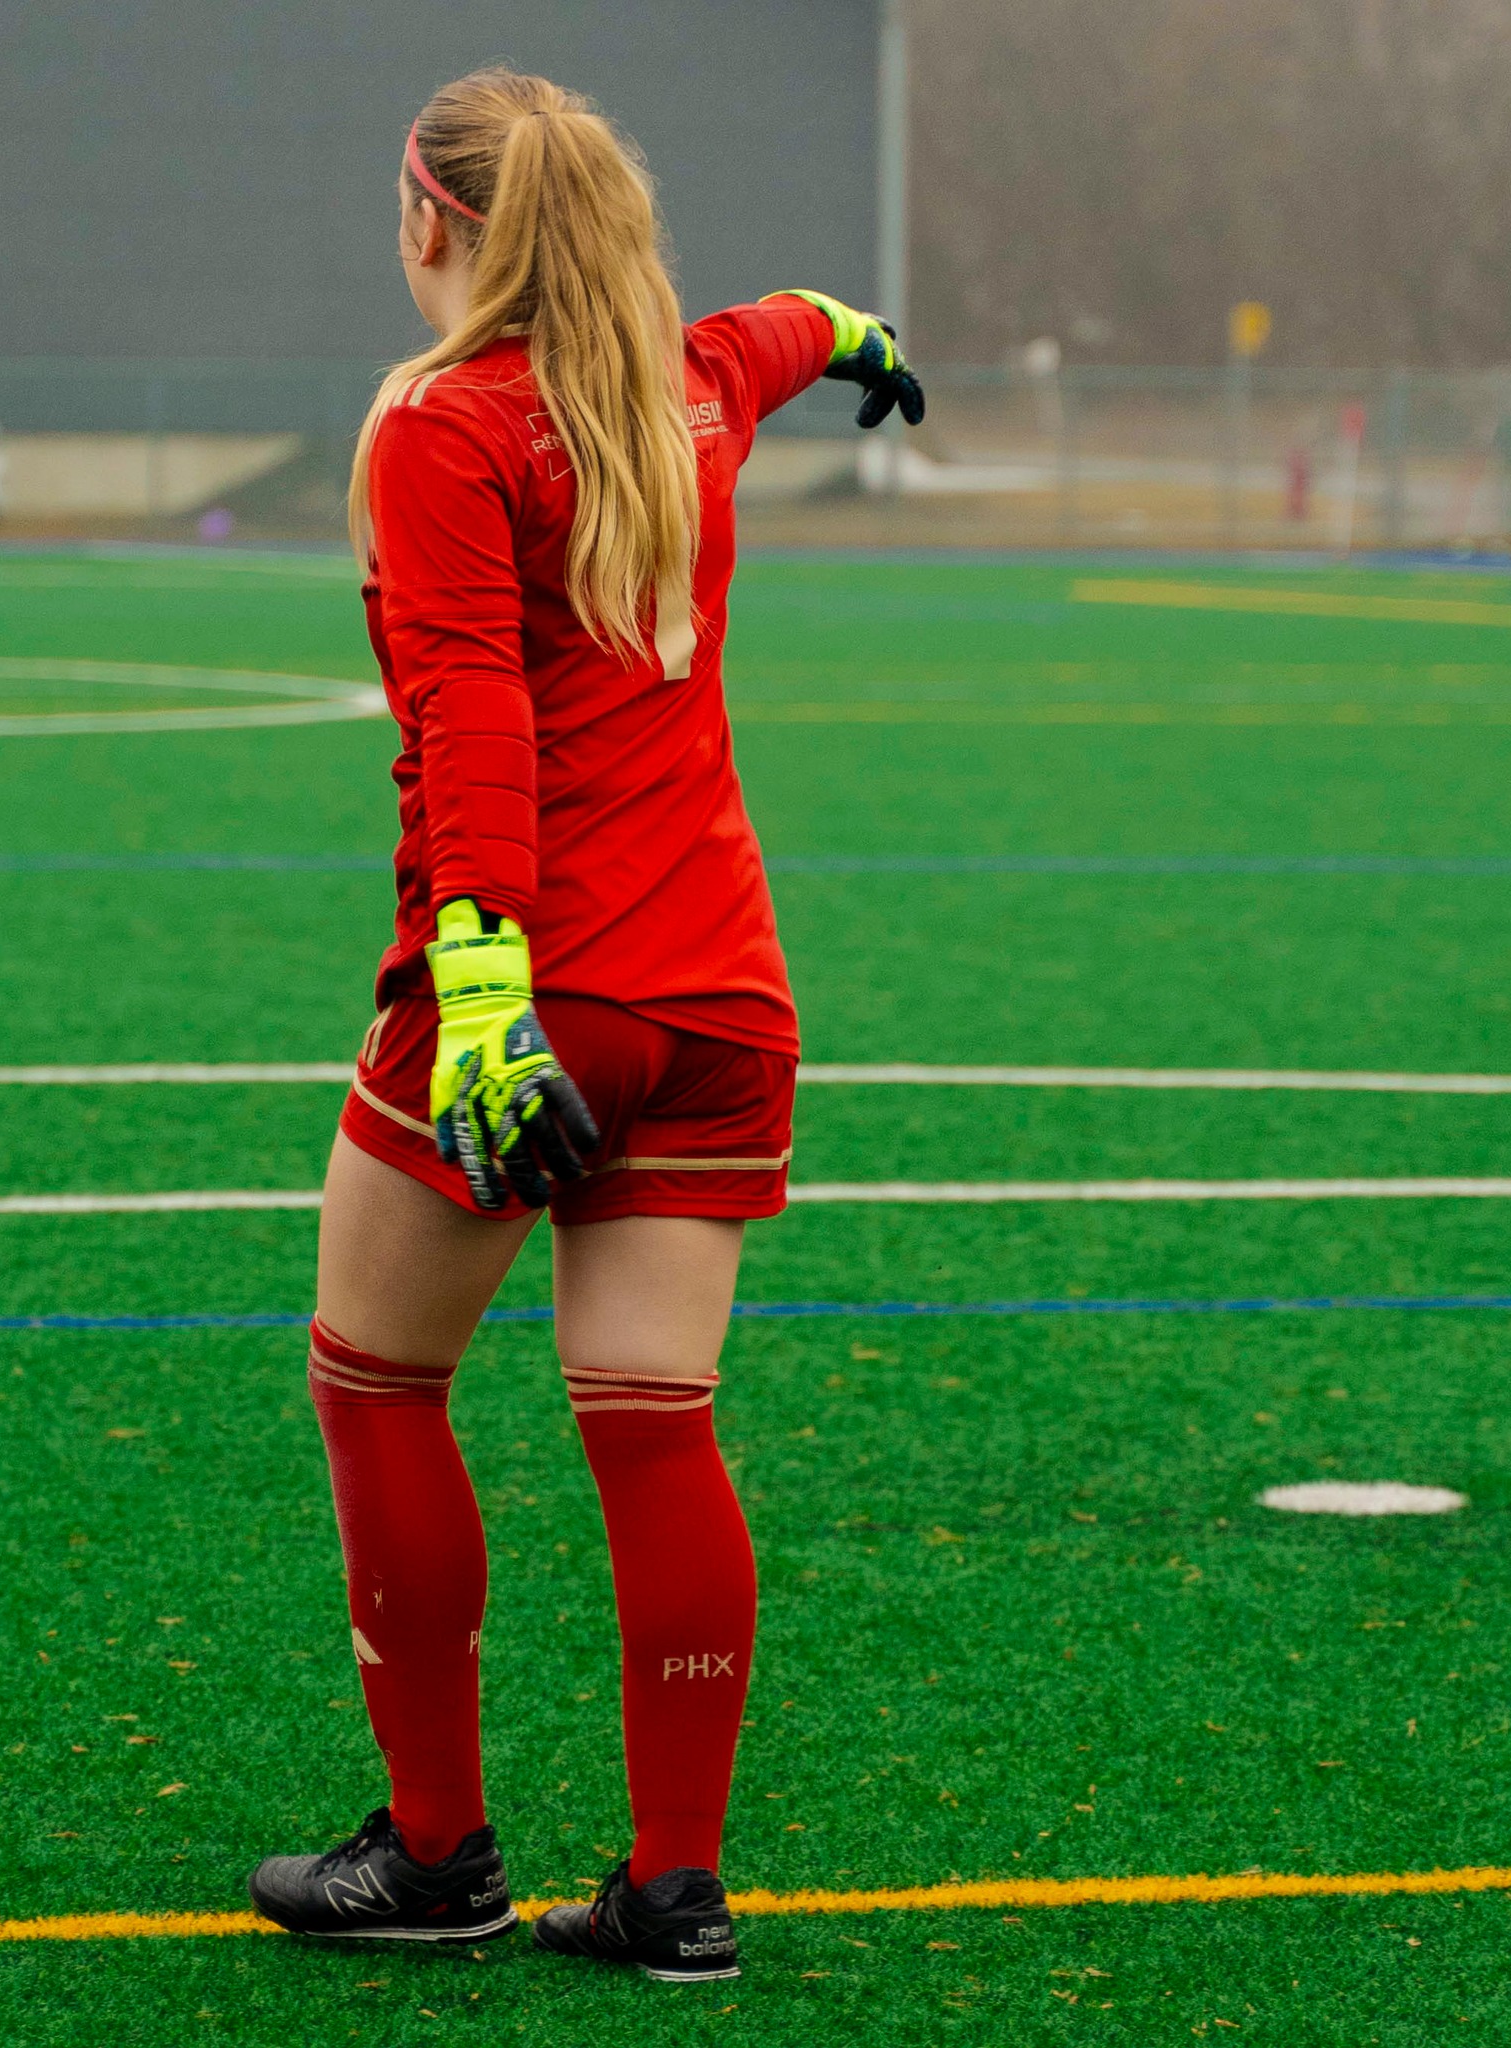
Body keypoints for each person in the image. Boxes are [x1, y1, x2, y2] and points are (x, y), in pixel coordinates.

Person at [245, 68, 922, 1983]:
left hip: (536, 989)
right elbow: (791, 328)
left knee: (375, 1382)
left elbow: (471, 719)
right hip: (722, 999)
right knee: (655, 1427)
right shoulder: (695, 384)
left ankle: (442, 1855)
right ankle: (673, 1893)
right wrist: (872, 337)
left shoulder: (448, 421)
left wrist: (481, 1004)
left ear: (431, 220)